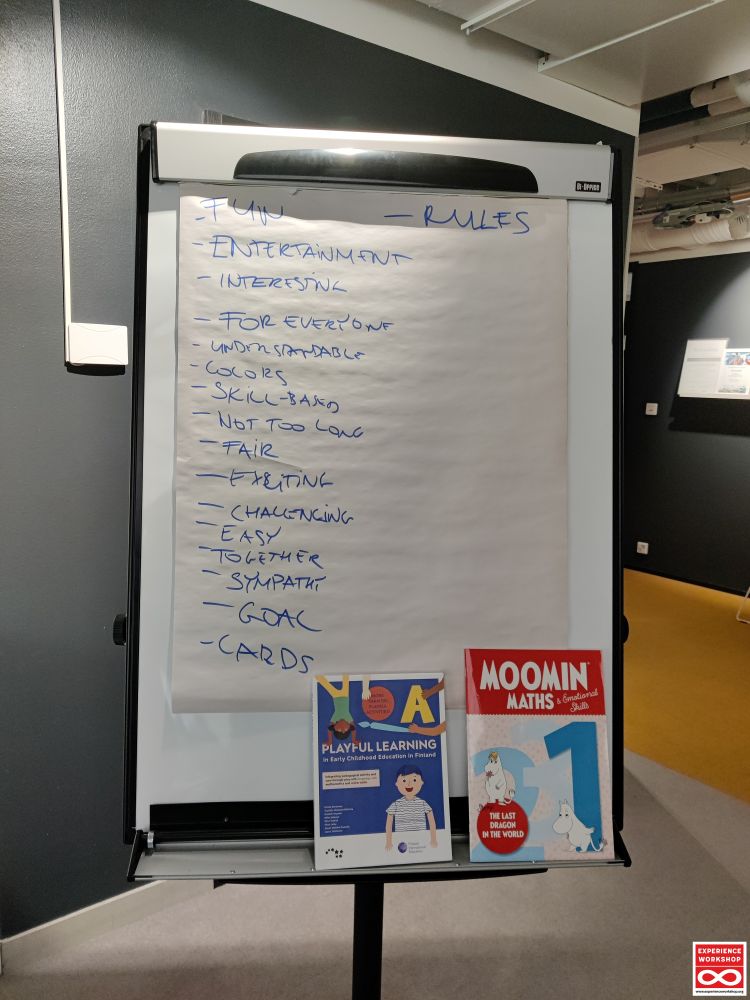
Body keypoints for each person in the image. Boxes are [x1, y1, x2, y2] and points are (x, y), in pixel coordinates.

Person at [385, 763, 438, 850]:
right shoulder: (395, 805)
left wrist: (433, 839)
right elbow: (388, 825)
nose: (409, 784)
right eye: (404, 781)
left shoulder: (423, 803)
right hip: (401, 842)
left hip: (420, 841)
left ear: (421, 782)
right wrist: (388, 842)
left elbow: (432, 822)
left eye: (414, 780)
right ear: (397, 784)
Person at [316, 674, 370, 747]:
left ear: (334, 727)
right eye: (344, 729)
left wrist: (330, 741)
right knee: (345, 677)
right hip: (345, 695)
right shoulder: (348, 717)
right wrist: (353, 740)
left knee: (324, 682)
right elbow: (353, 730)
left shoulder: (335, 718)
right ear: (348, 728)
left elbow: (329, 730)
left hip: (335, 696)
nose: (342, 729)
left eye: (340, 730)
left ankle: (318, 676)